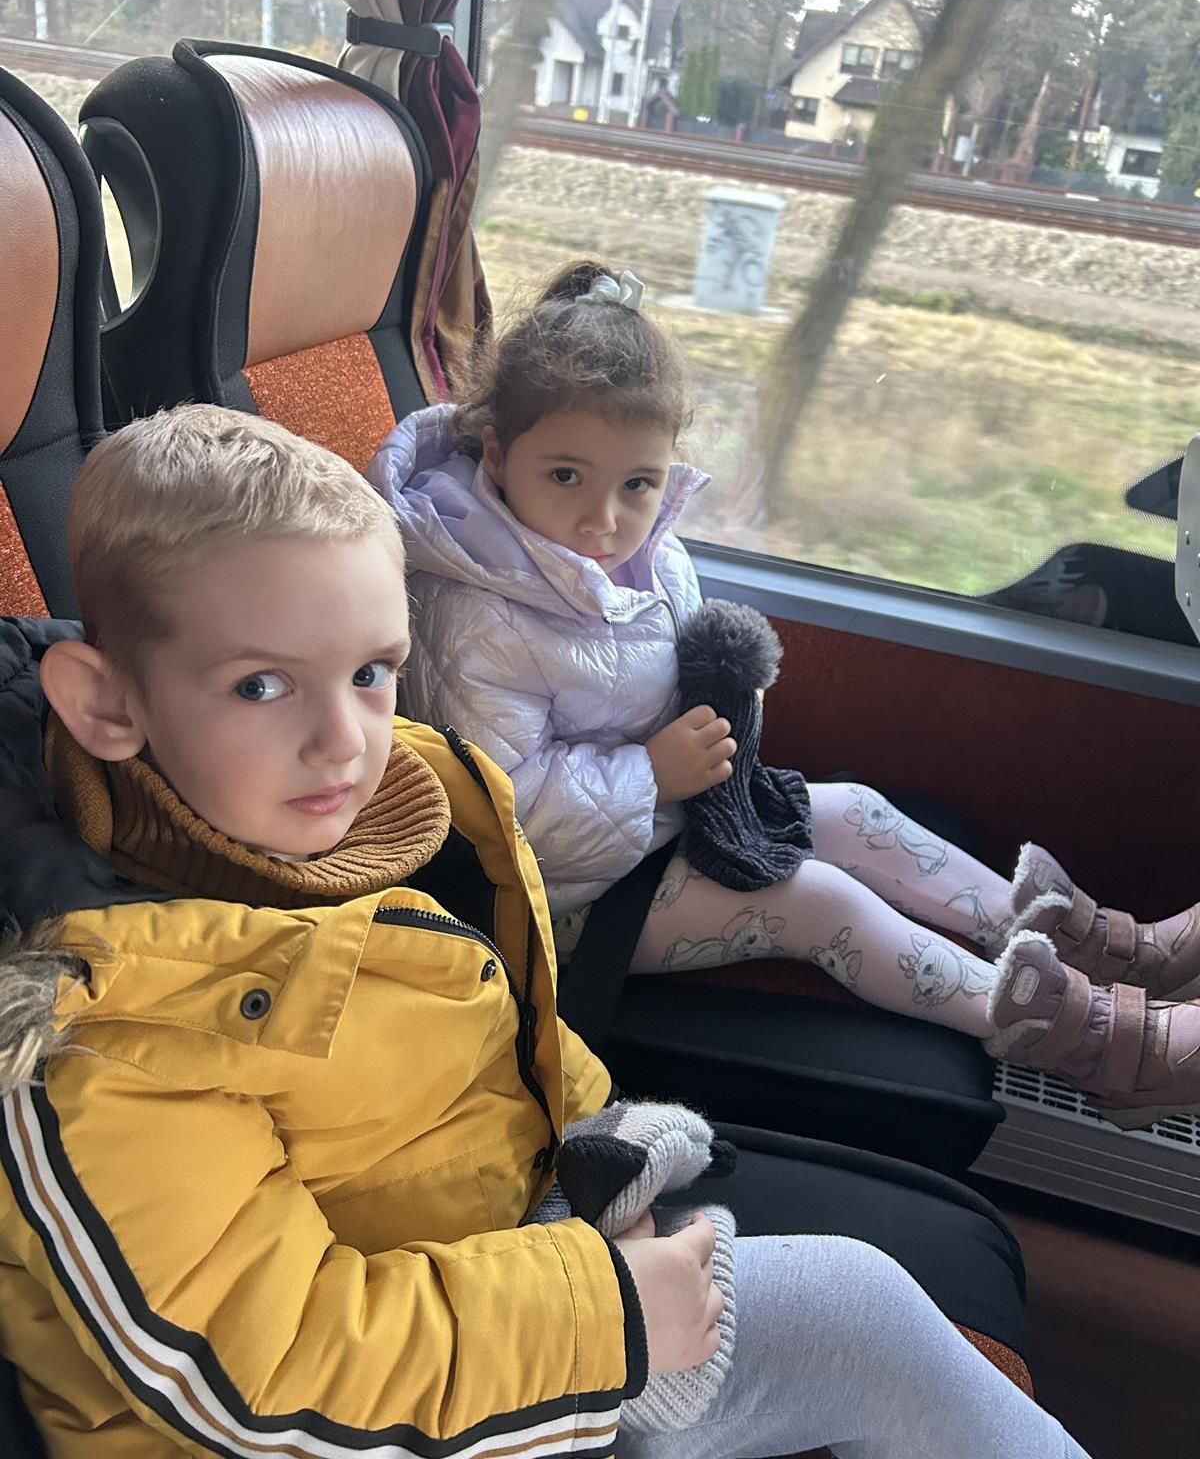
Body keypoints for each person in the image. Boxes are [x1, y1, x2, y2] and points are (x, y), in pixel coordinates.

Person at [0, 405, 1091, 1459]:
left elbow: (489, 1046)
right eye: (261, 685)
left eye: (372, 673)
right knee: (860, 1314)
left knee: (867, 1311)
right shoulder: (106, 1036)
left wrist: (591, 1134)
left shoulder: (376, 826)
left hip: (483, 1274)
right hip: (333, 1423)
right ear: (106, 706)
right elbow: (261, 1375)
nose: (345, 742)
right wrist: (608, 1314)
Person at [370, 260, 1200, 1132]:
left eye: (638, 484)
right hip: (555, 902)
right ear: (499, 453)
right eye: (567, 477)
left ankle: (1095, 948)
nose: (603, 520)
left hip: (666, 821)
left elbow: (658, 685)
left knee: (857, 812)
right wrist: (653, 772)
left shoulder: (643, 555)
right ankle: (1093, 1046)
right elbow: (500, 816)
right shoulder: (472, 614)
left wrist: (727, 707)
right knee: (817, 903)